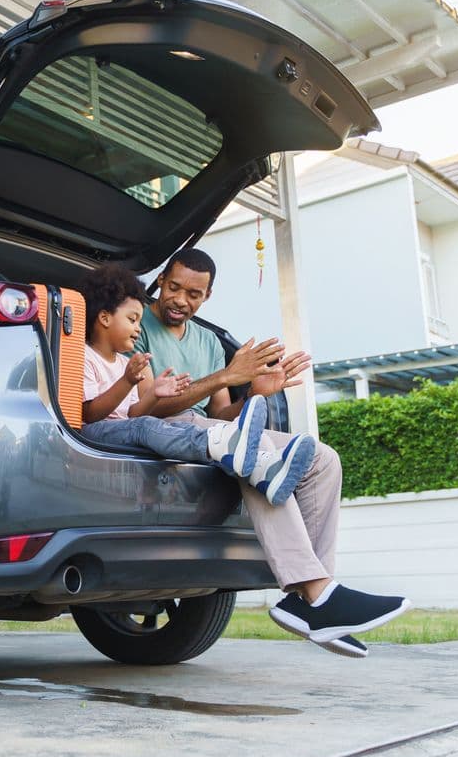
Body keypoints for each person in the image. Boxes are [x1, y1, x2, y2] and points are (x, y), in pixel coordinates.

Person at [132, 248, 409, 658]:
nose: (180, 300)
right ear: (160, 282)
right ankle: (317, 595)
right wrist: (227, 374)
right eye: (173, 288)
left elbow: (222, 413)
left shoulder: (207, 340)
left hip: (210, 431)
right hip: (164, 430)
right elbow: (148, 407)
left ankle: (313, 600)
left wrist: (256, 395)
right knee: (257, 449)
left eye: (193, 294)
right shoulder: (137, 324)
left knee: (321, 458)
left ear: (206, 296)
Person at [78, 265, 316, 505]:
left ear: (207, 295)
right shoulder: (84, 356)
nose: (138, 328)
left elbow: (133, 413)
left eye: (139, 321)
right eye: (132, 320)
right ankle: (222, 445)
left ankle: (262, 467)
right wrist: (127, 381)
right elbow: (90, 413)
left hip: (127, 429)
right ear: (105, 318)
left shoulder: (123, 362)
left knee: (161, 428)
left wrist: (154, 395)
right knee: (147, 427)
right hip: (95, 432)